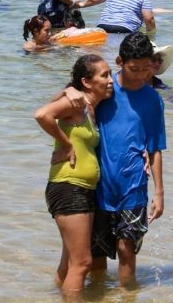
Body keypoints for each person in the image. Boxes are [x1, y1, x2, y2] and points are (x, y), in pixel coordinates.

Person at [86, 32, 166, 287]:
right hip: (99, 185)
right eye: (134, 69)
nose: (141, 75)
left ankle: (127, 295)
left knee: (126, 249)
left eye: (146, 69)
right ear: (120, 61)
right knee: (96, 252)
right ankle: (97, 294)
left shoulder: (153, 99)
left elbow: (155, 148)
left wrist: (160, 193)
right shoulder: (105, 90)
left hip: (133, 187)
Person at [34, 54, 113, 295]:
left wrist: (67, 90)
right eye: (104, 75)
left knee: (71, 262)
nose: (111, 81)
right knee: (83, 263)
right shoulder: (76, 103)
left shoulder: (88, 105)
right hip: (68, 187)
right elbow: (42, 114)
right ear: (87, 82)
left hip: (81, 189)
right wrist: (66, 144)